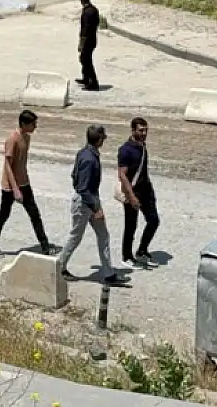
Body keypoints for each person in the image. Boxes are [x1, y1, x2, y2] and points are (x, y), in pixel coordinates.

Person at [56, 124, 128, 286]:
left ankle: (109, 273)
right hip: (86, 202)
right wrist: (96, 208)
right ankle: (59, 266)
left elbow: (74, 176)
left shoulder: (84, 153)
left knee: (103, 235)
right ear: (100, 139)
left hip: (89, 200)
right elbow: (83, 187)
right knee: (76, 237)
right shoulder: (89, 158)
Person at [0, 110, 54, 257]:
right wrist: (15, 189)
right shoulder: (13, 139)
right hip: (10, 186)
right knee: (3, 214)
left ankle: (45, 245)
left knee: (35, 214)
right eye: (33, 124)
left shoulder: (27, 138)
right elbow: (8, 166)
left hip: (24, 183)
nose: (35, 127)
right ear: (23, 124)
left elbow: (22, 163)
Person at [118, 116, 160, 269]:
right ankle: (126, 256)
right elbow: (122, 175)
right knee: (130, 226)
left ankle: (142, 250)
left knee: (154, 221)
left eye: (146, 130)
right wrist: (131, 196)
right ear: (133, 130)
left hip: (146, 191)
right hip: (132, 192)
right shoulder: (125, 150)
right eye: (141, 130)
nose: (144, 133)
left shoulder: (142, 146)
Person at [77, 0, 101, 91]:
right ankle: (86, 79)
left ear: (82, 0)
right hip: (93, 39)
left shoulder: (87, 12)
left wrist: (81, 44)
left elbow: (85, 30)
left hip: (87, 40)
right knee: (84, 59)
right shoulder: (94, 9)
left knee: (86, 60)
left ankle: (94, 83)